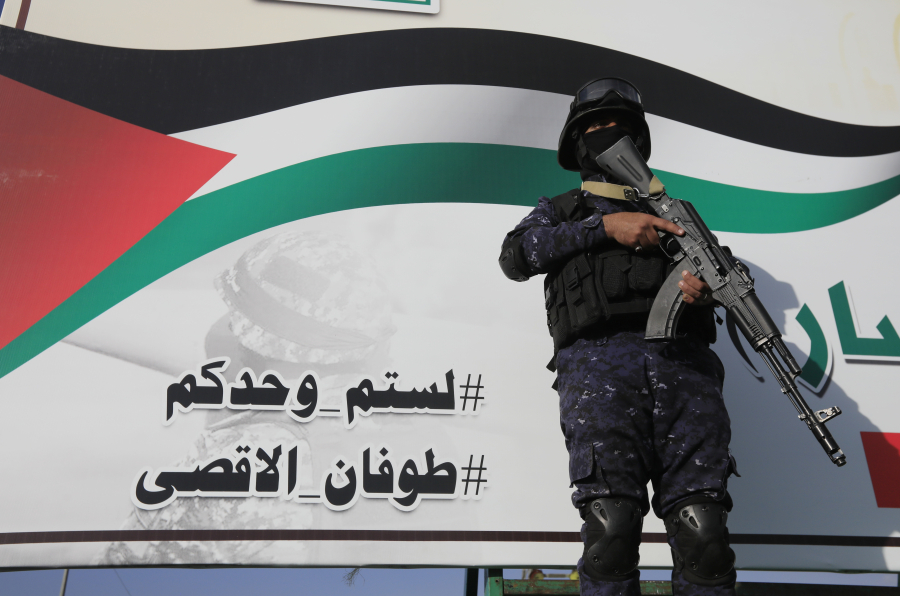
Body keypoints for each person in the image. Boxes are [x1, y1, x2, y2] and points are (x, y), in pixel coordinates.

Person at [499, 78, 740, 596]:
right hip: (600, 376)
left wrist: (706, 290)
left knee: (705, 537)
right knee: (611, 531)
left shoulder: (674, 214)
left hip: (687, 378)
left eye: (620, 127)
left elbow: (728, 276)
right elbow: (516, 256)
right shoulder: (562, 211)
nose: (609, 134)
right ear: (578, 144)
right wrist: (605, 229)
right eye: (597, 126)